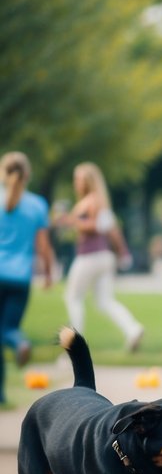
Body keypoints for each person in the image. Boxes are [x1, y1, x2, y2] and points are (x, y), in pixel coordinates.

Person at [57, 162, 143, 351]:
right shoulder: (100, 201)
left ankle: (75, 345)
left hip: (89, 256)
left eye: (78, 178)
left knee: (73, 298)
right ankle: (133, 329)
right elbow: (113, 230)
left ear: (87, 180)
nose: (76, 183)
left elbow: (94, 226)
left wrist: (70, 221)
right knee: (105, 301)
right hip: (104, 257)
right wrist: (123, 252)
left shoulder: (91, 200)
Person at [0, 151, 55, 404]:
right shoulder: (37, 205)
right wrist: (48, 272)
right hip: (20, 277)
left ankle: (1, 392)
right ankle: (19, 342)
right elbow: (43, 245)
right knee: (8, 328)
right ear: (28, 174)